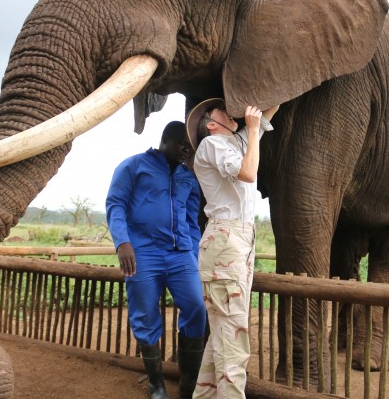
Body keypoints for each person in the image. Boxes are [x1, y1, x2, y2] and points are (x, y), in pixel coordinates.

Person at [185, 99, 279, 398]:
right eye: (221, 111)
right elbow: (248, 173)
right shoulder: (213, 144)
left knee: (222, 338)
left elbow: (271, 107)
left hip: (237, 240)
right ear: (212, 124)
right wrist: (252, 130)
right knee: (234, 342)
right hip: (226, 239)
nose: (229, 111)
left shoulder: (236, 143)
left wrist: (258, 110)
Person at [106, 121, 206, 399]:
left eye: (190, 146)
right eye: (182, 145)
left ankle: (187, 387)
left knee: (196, 306)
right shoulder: (134, 166)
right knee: (145, 314)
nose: (187, 150)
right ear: (166, 141)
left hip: (180, 255)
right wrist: (123, 242)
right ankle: (157, 385)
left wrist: (193, 253)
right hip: (142, 254)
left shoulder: (188, 177)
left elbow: (192, 219)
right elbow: (115, 203)